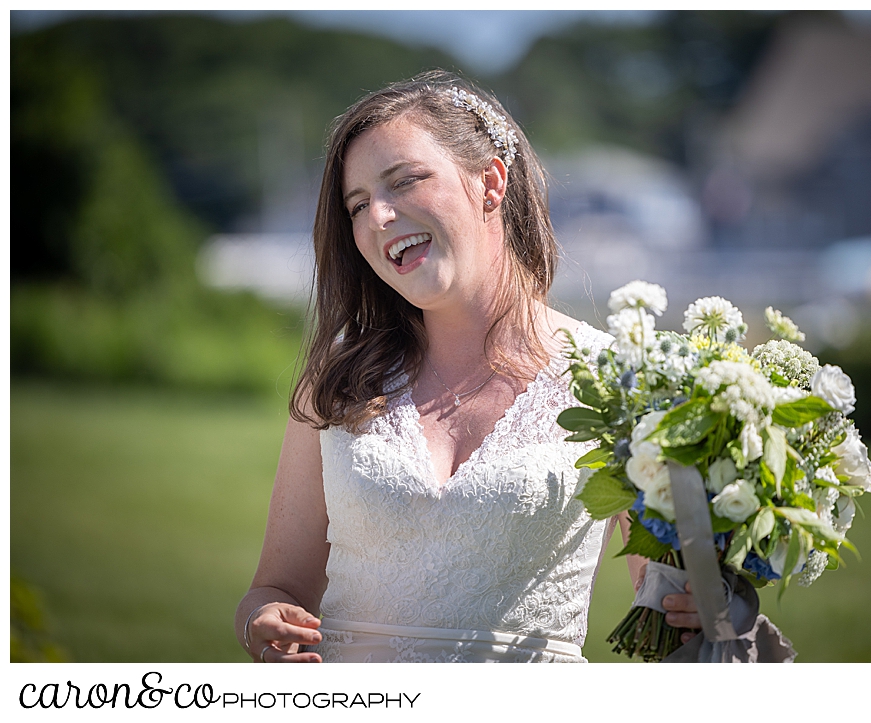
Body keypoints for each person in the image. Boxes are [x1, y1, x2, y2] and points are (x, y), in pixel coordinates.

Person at [234, 70, 701, 663]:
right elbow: (276, 589)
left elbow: (666, 598)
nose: (377, 216)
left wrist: (704, 601)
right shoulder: (335, 383)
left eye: (403, 182)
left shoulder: (614, 380)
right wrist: (263, 620)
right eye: (357, 205)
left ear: (491, 183)